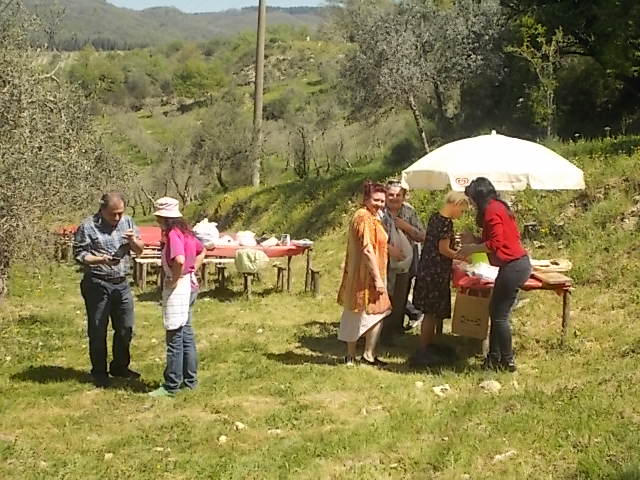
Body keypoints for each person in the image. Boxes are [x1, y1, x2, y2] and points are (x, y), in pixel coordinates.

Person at [457, 177, 532, 372]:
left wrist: (471, 248)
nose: (472, 204)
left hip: (514, 266)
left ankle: (507, 361)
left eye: (472, 200)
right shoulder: (498, 206)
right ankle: (494, 358)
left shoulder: (492, 211)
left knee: (499, 315)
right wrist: (474, 239)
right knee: (495, 311)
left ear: (478, 197)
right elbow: (495, 239)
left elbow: (495, 244)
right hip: (514, 265)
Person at [74, 192, 144, 388]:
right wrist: (101, 260)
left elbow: (140, 249)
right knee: (98, 329)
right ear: (102, 209)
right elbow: (79, 254)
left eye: (120, 213)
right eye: (113, 214)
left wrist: (133, 241)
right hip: (97, 283)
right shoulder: (88, 226)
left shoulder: (127, 222)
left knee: (125, 327)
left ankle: (120, 367)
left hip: (121, 283)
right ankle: (99, 372)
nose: (117, 217)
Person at [149, 197, 206, 397]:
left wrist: (174, 279)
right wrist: (192, 270)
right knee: (186, 334)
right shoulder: (186, 232)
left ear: (161, 217)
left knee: (174, 335)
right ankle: (190, 381)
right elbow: (202, 251)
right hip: (190, 285)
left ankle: (172, 385)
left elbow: (179, 259)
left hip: (180, 288)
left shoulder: (173, 234)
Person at [408, 192, 469, 366]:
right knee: (430, 312)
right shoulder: (445, 223)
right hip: (436, 271)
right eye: (462, 210)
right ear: (455, 205)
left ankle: (431, 345)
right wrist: (462, 256)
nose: (461, 214)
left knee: (432, 311)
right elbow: (443, 249)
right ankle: (425, 349)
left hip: (428, 267)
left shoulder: (435, 217)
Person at [337, 181, 392, 366]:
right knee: (355, 313)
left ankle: (368, 354)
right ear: (366, 198)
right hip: (361, 275)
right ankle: (350, 355)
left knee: (379, 311)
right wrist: (377, 279)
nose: (379, 204)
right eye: (376, 200)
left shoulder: (374, 217)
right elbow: (367, 249)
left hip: (375, 272)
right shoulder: (362, 217)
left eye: (382, 201)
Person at [380, 181, 424, 341]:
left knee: (401, 295)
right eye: (391, 194)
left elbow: (422, 235)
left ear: (404, 196)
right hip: (383, 260)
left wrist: (407, 227)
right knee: (385, 294)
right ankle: (381, 330)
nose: (394, 198)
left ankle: (395, 329)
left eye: (398, 195)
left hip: (405, 261)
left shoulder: (409, 211)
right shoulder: (379, 211)